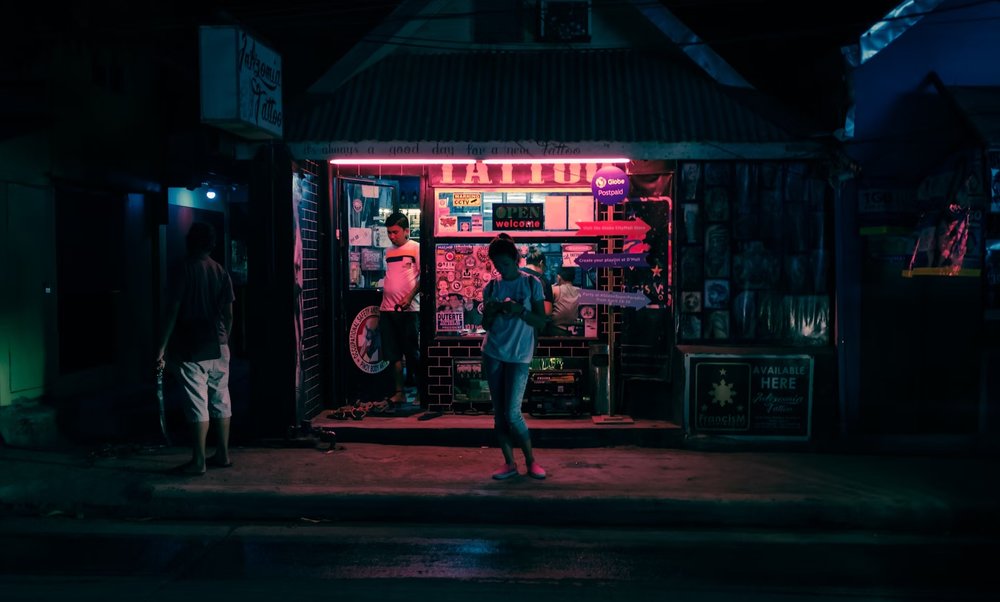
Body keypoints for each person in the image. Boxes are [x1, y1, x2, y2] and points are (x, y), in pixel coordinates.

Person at [156, 222, 235, 476]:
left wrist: (162, 348)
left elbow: (172, 310)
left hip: (192, 344)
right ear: (211, 244)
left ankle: (198, 461)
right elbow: (229, 313)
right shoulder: (220, 271)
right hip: (219, 343)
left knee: (196, 402)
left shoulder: (184, 269)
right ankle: (222, 454)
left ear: (190, 242)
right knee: (221, 398)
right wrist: (225, 338)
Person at [481, 233, 547, 480]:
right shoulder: (491, 287)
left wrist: (519, 310)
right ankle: (509, 462)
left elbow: (541, 322)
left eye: (505, 264)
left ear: (516, 260)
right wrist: (491, 310)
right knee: (499, 414)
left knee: (513, 413)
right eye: (497, 266)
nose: (501, 270)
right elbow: (486, 325)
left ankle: (531, 461)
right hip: (493, 352)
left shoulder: (531, 284)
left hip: (520, 354)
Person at [379, 212, 420, 405]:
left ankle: (422, 392)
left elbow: (424, 277)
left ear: (406, 231)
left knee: (413, 353)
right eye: (389, 232)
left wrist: (410, 296)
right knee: (392, 354)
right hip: (387, 308)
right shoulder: (388, 252)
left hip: (410, 309)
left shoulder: (415, 248)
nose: (392, 236)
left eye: (395, 232)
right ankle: (399, 392)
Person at [520, 246, 553, 316]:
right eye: (544, 267)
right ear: (541, 263)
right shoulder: (542, 280)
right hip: (533, 324)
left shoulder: (515, 274)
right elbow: (547, 311)